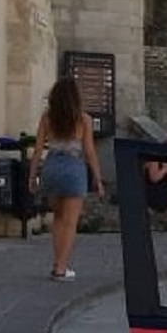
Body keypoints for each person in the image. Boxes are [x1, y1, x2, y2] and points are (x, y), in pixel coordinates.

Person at [27, 77, 104, 281]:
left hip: (51, 168)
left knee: (58, 218)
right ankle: (61, 268)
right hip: (73, 169)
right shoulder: (83, 120)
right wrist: (98, 178)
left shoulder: (47, 118)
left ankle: (57, 262)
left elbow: (37, 150)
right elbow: (89, 151)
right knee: (70, 222)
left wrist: (32, 176)